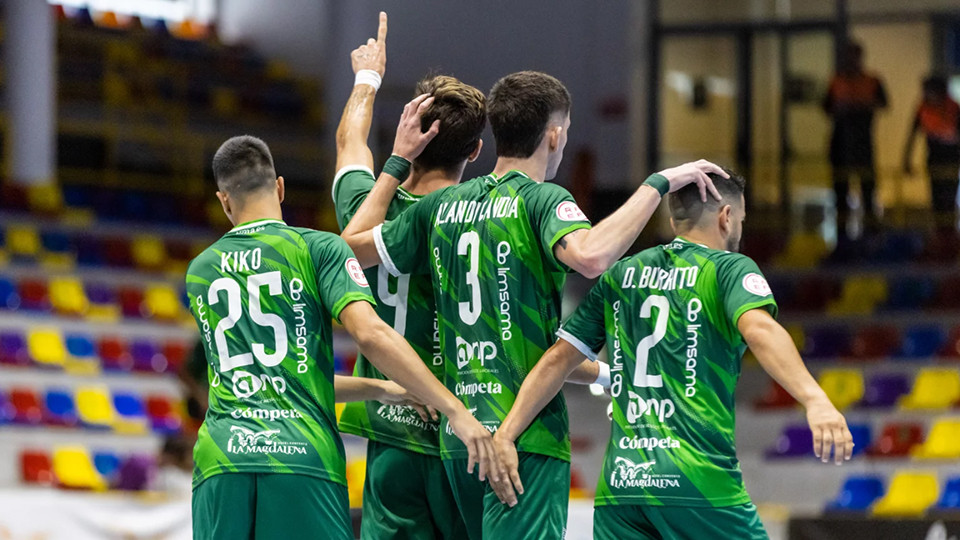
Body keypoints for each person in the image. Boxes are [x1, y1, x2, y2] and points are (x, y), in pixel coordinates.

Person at [341, 67, 725, 538]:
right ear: (555, 134)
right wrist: (659, 183)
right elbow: (591, 256)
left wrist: (398, 161)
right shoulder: (542, 200)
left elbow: (349, 249)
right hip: (521, 439)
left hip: (458, 439)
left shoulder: (444, 205)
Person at [490, 169, 854, 540]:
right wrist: (815, 399)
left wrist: (506, 433)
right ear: (726, 216)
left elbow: (556, 360)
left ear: (672, 219)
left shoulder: (621, 274)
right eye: (740, 220)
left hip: (623, 488)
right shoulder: (728, 269)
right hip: (697, 481)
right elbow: (760, 329)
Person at [185, 134, 497, 540]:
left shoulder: (199, 271)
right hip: (300, 456)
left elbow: (283, 381)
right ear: (280, 186)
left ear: (224, 199)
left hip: (221, 459)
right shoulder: (317, 248)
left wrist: (384, 389)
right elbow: (370, 334)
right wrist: (453, 408)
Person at [332, 13, 483, 539]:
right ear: (474, 151)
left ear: (409, 131)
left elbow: (349, 141)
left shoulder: (363, 207)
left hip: (392, 430)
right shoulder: (480, 221)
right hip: (462, 427)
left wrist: (367, 79)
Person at [824, 41, 888, 231]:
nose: (850, 61)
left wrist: (861, 105)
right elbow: (826, 107)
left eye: (853, 56)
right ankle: (842, 236)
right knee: (841, 192)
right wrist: (842, 108)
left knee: (868, 189)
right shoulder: (836, 81)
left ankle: (870, 234)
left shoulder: (872, 81)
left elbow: (883, 103)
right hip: (840, 143)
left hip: (863, 142)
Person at [903, 75, 960, 230]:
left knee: (949, 197)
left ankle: (949, 232)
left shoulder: (953, 107)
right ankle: (940, 232)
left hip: (951, 158)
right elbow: (912, 135)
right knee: (936, 198)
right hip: (934, 157)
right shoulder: (923, 107)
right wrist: (906, 161)